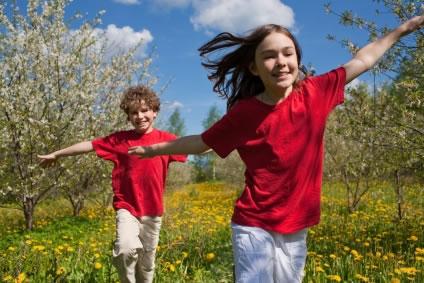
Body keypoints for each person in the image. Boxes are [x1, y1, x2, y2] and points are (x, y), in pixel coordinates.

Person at [127, 15, 424, 283]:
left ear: (297, 59)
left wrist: (401, 30)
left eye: (287, 53)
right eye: (269, 56)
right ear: (254, 68)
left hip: (296, 224)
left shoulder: (316, 93)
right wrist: (153, 149)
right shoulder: (245, 114)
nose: (280, 61)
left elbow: (364, 59)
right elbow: (201, 142)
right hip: (254, 222)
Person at [38, 85, 187, 283]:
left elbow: (200, 145)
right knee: (125, 249)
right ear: (128, 116)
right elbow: (89, 145)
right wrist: (57, 153)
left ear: (155, 112)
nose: (140, 116)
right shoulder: (119, 140)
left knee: (147, 266)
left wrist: (226, 140)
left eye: (144, 111)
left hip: (152, 210)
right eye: (134, 112)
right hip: (127, 208)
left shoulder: (166, 140)